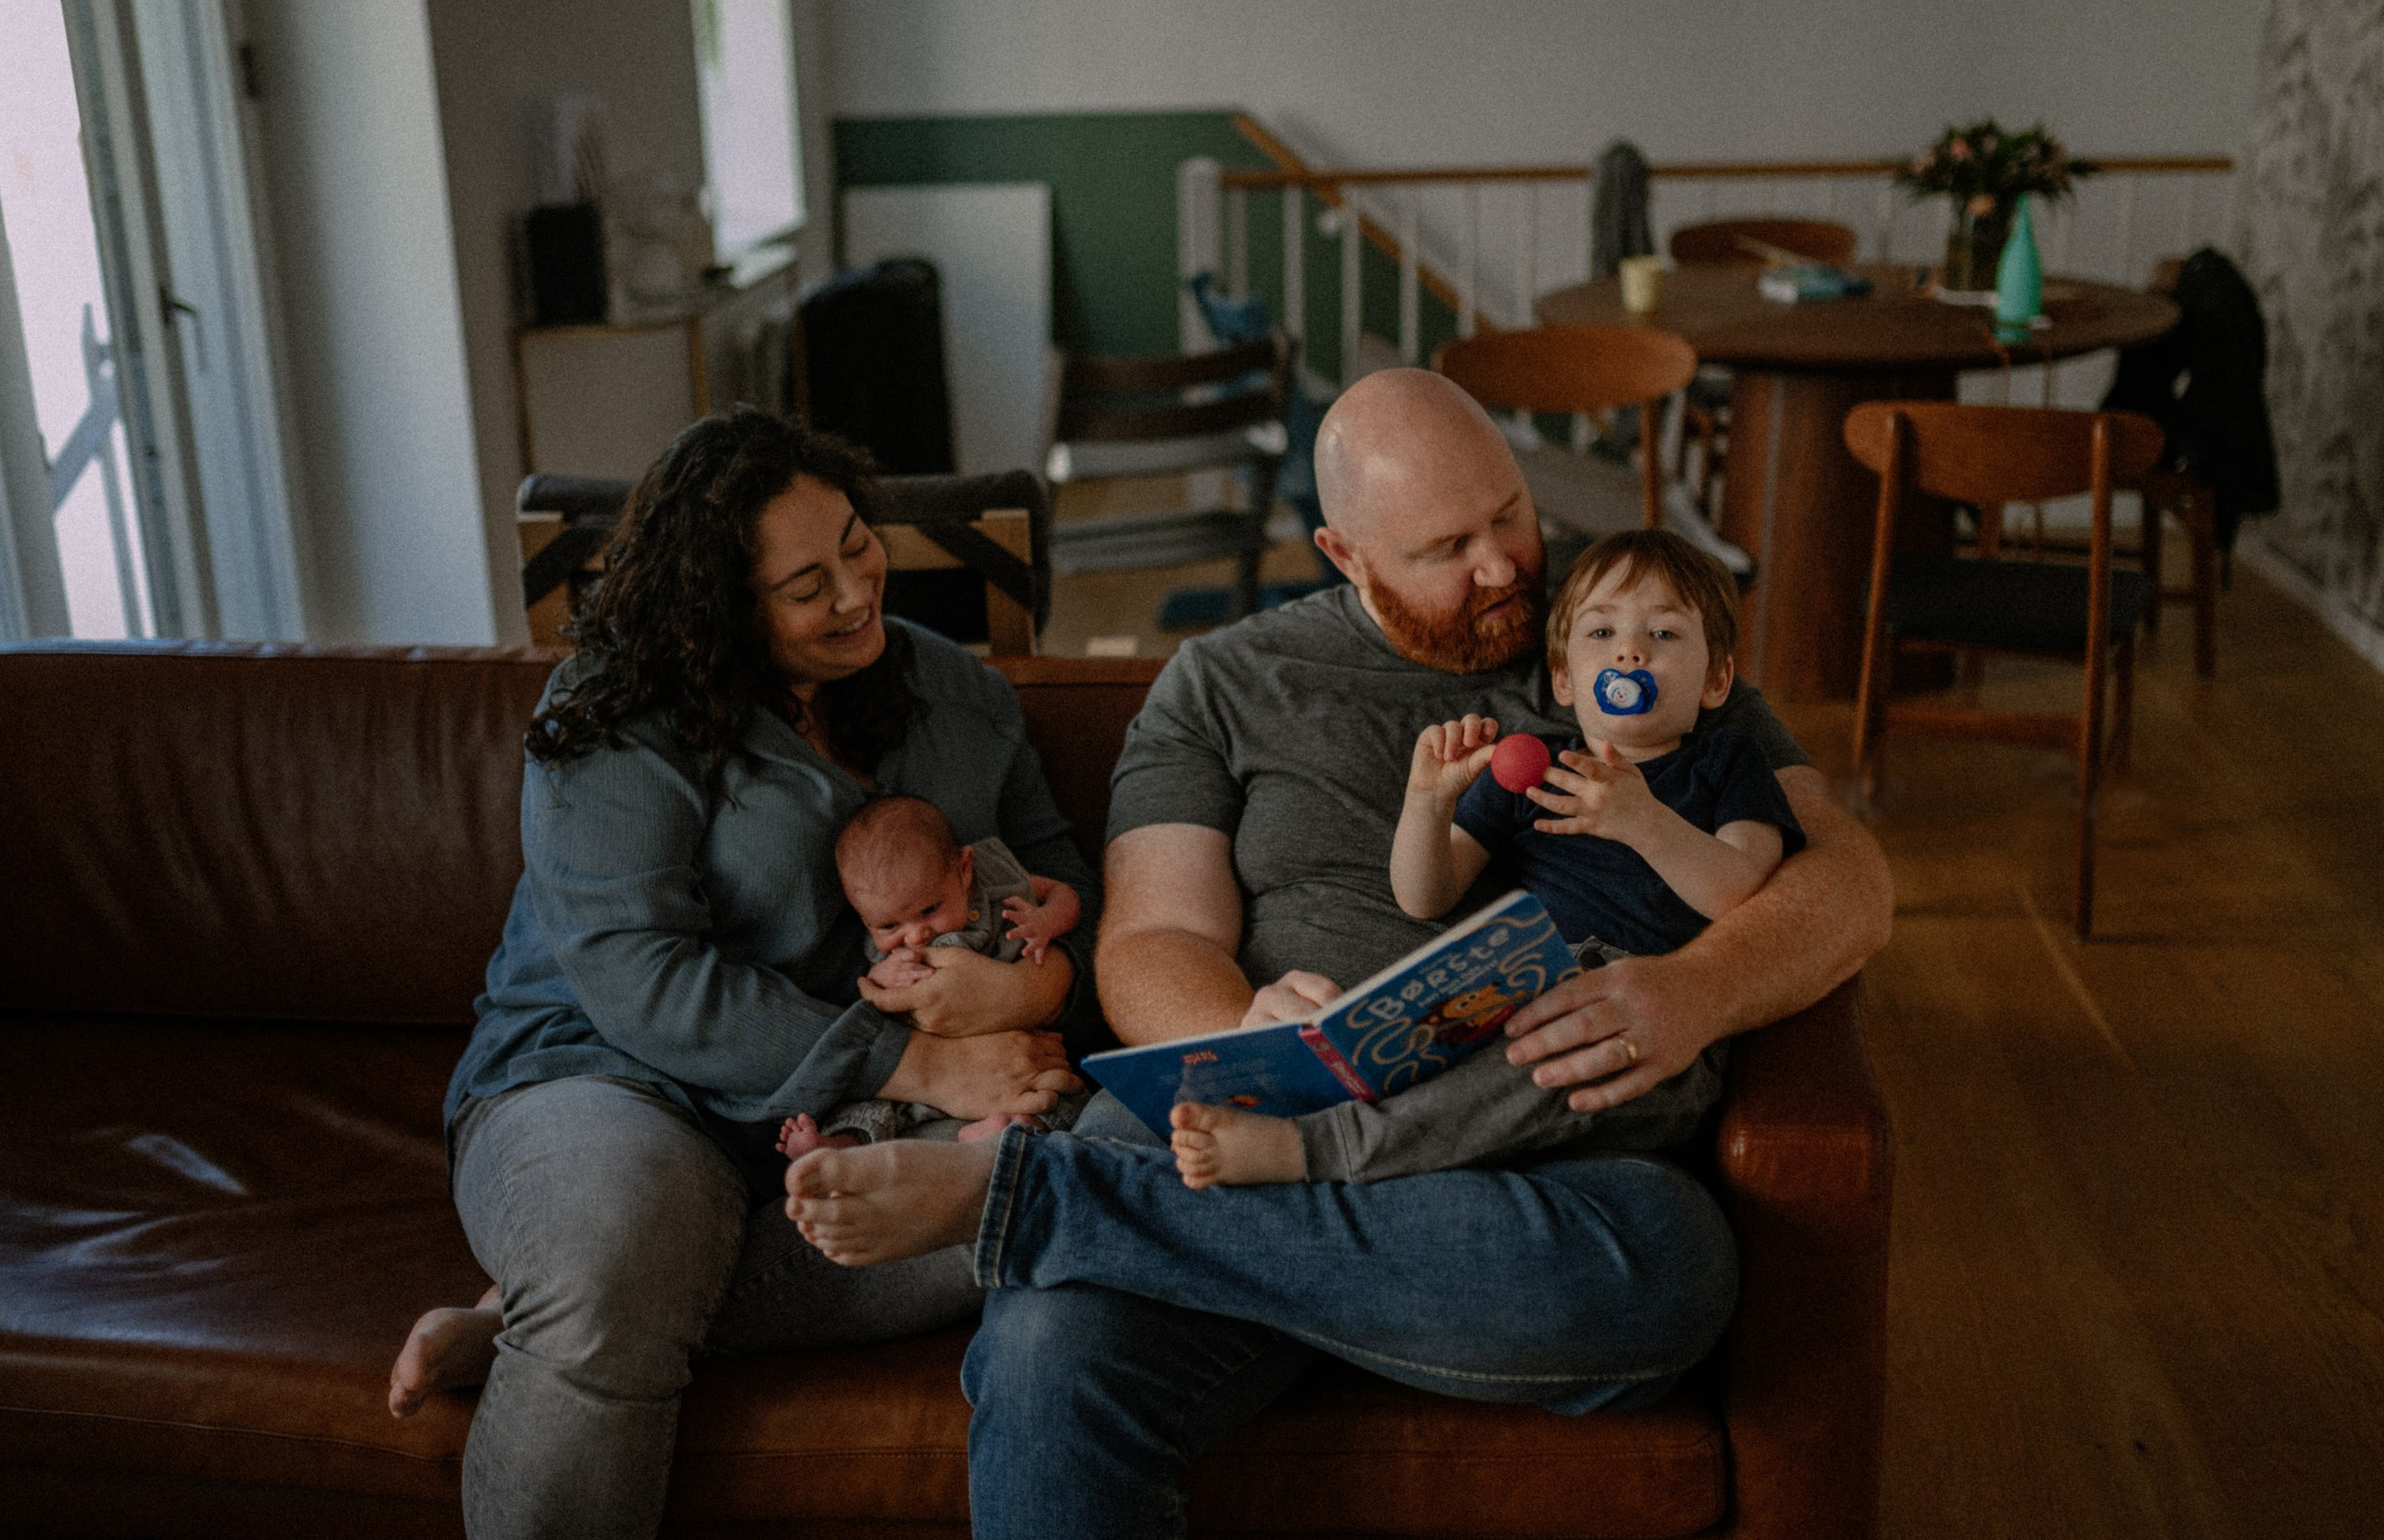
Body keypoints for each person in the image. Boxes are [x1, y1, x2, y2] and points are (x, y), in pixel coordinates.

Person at [780, 369, 1893, 1540]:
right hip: (1257, 1124)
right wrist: (1250, 1027)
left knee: (1667, 1268)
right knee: (1054, 1344)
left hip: (1533, 1151)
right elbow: (1153, 937)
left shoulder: (1627, 623)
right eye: (1445, 545)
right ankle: (1127, 1213)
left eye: (1510, 513)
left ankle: (1050, 1198)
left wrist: (1698, 990)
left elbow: (1847, 880)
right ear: (1343, 551)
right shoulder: (1220, 682)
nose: (1505, 566)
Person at [383, 407, 1090, 1540]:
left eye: (858, 543)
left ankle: (539, 1312)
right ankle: (585, 1293)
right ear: (724, 604)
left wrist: (1038, 986)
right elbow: (641, 979)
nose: (858, 593)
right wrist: (917, 1057)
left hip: (854, 1113)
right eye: (806, 585)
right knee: (621, 1236)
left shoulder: (958, 697)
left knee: (1066, 1175)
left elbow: (1055, 874)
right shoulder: (613, 712)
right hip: (611, 1079)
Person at [1169, 527, 1803, 1188]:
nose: (1630, 649)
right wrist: (1428, 803)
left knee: (1540, 1072)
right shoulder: (1535, 769)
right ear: (1564, 678)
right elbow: (1425, 895)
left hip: (1646, 1033)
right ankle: (1350, 1127)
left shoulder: (1730, 762)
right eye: (1600, 633)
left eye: (1664, 635)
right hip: (1522, 993)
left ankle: (1317, 1151)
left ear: (1717, 677)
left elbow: (1742, 892)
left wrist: (1645, 823)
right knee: (1438, 1047)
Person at [781, 793, 1084, 1159]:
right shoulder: (884, 947)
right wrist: (884, 973)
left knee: (1055, 1091)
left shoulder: (995, 881)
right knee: (880, 1100)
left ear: (964, 869)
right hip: (928, 1066)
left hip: (1015, 1047)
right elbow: (871, 989)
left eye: (930, 909)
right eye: (889, 925)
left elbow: (1063, 892)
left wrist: (1048, 921)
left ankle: (1010, 1129)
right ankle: (839, 1146)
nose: (915, 935)